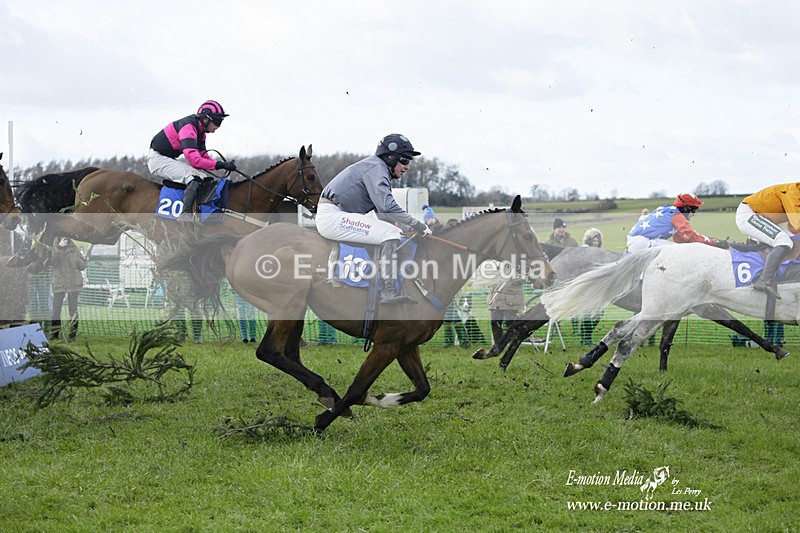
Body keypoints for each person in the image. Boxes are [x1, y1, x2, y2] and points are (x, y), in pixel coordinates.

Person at [316, 133, 430, 305]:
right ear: (390, 157)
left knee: (392, 230)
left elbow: (382, 213)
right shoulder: (377, 168)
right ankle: (389, 290)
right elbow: (387, 206)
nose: (407, 167)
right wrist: (418, 225)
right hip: (333, 216)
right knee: (391, 233)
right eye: (405, 161)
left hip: (337, 214)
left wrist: (407, 229)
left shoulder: (376, 168)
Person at [147, 99, 237, 218]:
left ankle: (197, 211)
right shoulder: (188, 127)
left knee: (204, 178)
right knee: (194, 177)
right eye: (217, 121)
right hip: (158, 159)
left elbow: (203, 156)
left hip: (167, 158)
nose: (218, 126)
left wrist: (223, 164)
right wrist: (220, 165)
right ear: (205, 118)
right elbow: (195, 161)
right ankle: (186, 215)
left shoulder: (201, 132)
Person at [735, 182, 800, 298]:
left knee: (793, 241)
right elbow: (797, 225)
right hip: (749, 215)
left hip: (764, 217)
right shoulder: (793, 194)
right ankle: (763, 280)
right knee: (784, 242)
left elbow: (794, 230)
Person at [626, 193, 728, 253]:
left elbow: (680, 239)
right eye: (693, 210)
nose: (694, 214)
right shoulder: (677, 215)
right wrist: (716, 243)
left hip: (635, 241)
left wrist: (710, 241)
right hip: (641, 242)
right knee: (678, 252)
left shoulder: (666, 209)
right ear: (685, 208)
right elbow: (692, 237)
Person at [47, 237, 87, 341]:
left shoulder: (74, 248)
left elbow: (82, 266)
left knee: (73, 311)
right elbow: (53, 261)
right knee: (56, 311)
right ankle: (55, 334)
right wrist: (59, 247)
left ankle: (72, 336)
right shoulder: (53, 246)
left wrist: (79, 259)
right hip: (59, 283)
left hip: (73, 283)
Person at [578, 227, 605, 345]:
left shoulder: (600, 253)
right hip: (587, 287)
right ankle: (586, 338)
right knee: (588, 313)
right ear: (588, 240)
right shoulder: (583, 252)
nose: (596, 243)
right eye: (594, 240)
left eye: (597, 240)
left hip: (598, 288)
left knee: (599, 313)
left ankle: (585, 333)